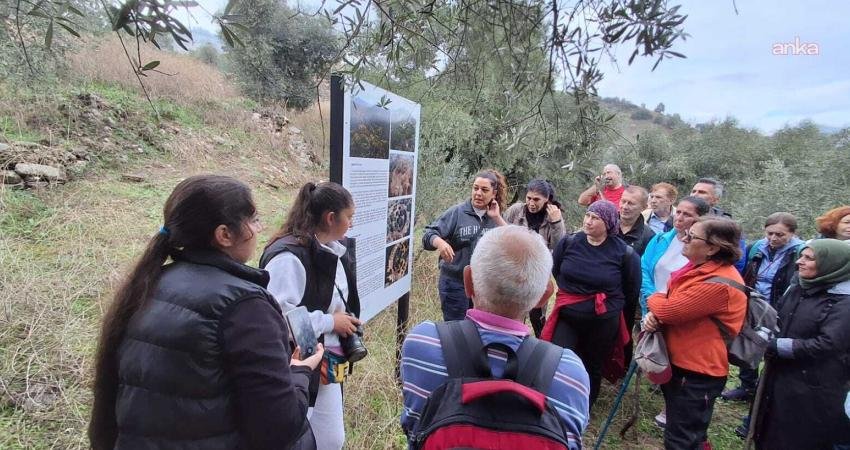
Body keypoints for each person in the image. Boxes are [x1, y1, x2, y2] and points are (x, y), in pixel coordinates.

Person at [89, 175, 323, 450]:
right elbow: (278, 429)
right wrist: (299, 372)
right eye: (252, 219)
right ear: (224, 234)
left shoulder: (149, 283)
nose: (257, 228)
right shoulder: (245, 306)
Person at [400, 225, 590, 449]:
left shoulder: (423, 343)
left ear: (468, 282)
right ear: (543, 297)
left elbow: (414, 428)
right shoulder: (570, 373)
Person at [259, 181, 361, 450]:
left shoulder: (329, 249)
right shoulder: (288, 259)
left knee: (331, 439)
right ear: (330, 218)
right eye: (349, 217)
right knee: (298, 436)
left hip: (322, 361)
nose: (351, 224)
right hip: (296, 367)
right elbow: (278, 317)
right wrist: (330, 322)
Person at [644, 217, 748, 450]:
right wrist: (659, 310)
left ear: (712, 247)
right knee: (687, 434)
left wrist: (654, 299)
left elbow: (669, 310)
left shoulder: (719, 284)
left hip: (697, 373)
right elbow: (672, 306)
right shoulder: (697, 271)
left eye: (692, 237)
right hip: (683, 365)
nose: (683, 238)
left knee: (682, 439)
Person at [751, 239, 850, 449]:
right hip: (779, 375)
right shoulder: (800, 287)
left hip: (813, 385)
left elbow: (828, 344)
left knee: (796, 436)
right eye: (801, 256)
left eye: (809, 258)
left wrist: (777, 346)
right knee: (768, 430)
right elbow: (779, 318)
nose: (800, 262)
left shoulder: (844, 302)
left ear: (832, 264)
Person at [542, 200, 641, 407]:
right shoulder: (569, 242)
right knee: (559, 358)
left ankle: (584, 404)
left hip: (603, 321)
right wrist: (577, 294)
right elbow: (557, 270)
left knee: (592, 363)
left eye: (595, 218)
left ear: (608, 223)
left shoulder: (624, 253)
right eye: (588, 215)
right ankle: (554, 401)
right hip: (568, 316)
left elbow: (630, 290)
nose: (588, 221)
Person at [639, 195, 709, 428]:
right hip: (653, 304)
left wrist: (666, 306)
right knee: (654, 350)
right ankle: (654, 386)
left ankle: (670, 407)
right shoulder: (660, 239)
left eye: (687, 214)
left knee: (676, 358)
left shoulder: (702, 252)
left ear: (701, 220)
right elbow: (645, 268)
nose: (679, 218)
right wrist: (651, 300)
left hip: (680, 309)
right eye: (678, 212)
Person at [722, 212, 804, 404]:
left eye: (780, 235)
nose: (774, 238)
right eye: (770, 233)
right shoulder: (756, 247)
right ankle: (747, 385)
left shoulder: (798, 252)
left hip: (780, 305)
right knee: (749, 341)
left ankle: (767, 389)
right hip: (755, 304)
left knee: (773, 346)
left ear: (792, 233)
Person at [422, 169, 508, 321]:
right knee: (456, 330)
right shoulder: (457, 213)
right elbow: (428, 234)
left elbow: (513, 243)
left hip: (483, 287)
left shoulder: (496, 218)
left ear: (494, 194)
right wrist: (440, 242)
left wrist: (497, 218)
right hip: (455, 285)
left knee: (478, 330)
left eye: (484, 190)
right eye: (475, 188)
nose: (478, 193)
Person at [505, 179, 566, 336]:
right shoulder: (516, 211)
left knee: (537, 315)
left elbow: (560, 246)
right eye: (529, 198)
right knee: (515, 313)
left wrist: (556, 222)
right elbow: (502, 232)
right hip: (515, 268)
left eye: (536, 199)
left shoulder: (553, 216)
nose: (531, 203)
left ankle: (541, 346)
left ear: (547, 199)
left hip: (538, 272)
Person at [618, 185, 656, 256]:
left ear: (644, 207)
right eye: (623, 201)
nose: (625, 207)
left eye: (631, 203)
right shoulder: (606, 225)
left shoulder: (649, 236)